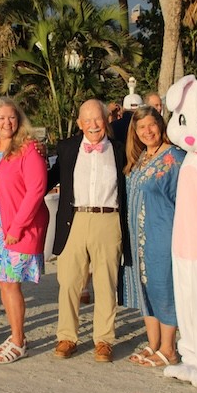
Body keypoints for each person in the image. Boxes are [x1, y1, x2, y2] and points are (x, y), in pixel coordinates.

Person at [48, 99, 129, 363]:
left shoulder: (120, 149)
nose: (93, 125)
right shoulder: (67, 148)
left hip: (109, 219)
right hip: (74, 219)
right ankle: (67, 337)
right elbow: (48, 178)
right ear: (80, 123)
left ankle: (104, 340)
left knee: (106, 283)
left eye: (98, 119)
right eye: (88, 120)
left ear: (106, 120)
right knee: (69, 282)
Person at [0, 97, 49, 364]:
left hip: (14, 229)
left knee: (11, 285)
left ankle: (19, 341)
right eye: (1, 118)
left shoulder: (28, 149)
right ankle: (17, 334)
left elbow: (37, 189)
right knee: (4, 284)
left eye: (12, 117)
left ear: (19, 120)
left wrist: (17, 227)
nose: (7, 123)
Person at [121, 106, 185, 368]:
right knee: (144, 288)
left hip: (163, 234)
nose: (147, 131)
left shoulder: (176, 157)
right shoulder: (140, 158)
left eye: (151, 125)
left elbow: (186, 200)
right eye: (141, 127)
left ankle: (169, 349)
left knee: (163, 287)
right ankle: (153, 343)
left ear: (161, 125)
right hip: (138, 237)